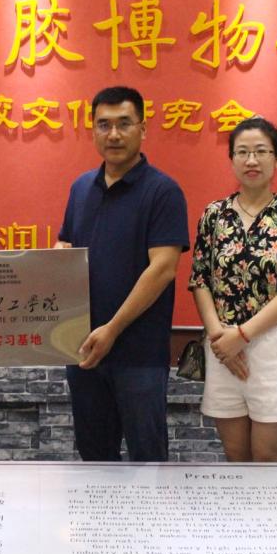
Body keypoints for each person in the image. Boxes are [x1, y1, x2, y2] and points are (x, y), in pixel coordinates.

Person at [56, 86, 189, 462]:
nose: (113, 134)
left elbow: (162, 268)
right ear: (92, 130)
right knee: (95, 460)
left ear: (142, 129)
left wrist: (112, 329)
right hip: (84, 350)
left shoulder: (163, 191)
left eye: (124, 124)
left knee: (147, 460)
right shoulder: (81, 188)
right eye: (104, 125)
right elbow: (67, 245)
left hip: (139, 355)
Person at [189, 116, 277, 462]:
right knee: (236, 458)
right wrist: (221, 340)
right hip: (221, 346)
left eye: (261, 151)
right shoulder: (214, 215)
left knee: (267, 458)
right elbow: (200, 279)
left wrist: (241, 337)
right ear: (231, 159)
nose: (251, 160)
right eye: (242, 152)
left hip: (270, 346)